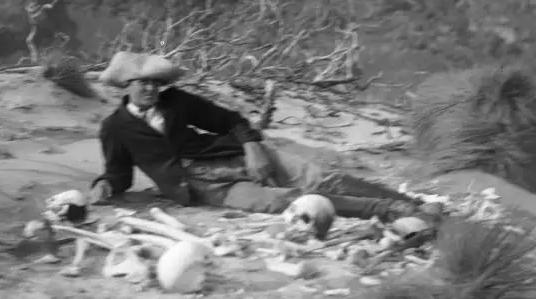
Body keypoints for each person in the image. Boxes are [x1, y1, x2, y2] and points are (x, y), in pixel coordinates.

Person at [87, 51, 440, 223]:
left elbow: (230, 120)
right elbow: (119, 173)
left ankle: (408, 204)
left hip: (233, 156)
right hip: (202, 187)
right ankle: (385, 211)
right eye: (141, 82)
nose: (149, 88)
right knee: (286, 201)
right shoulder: (115, 128)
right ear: (126, 86)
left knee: (321, 177)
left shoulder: (176, 101)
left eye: (154, 82)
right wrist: (105, 186)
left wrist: (253, 149)